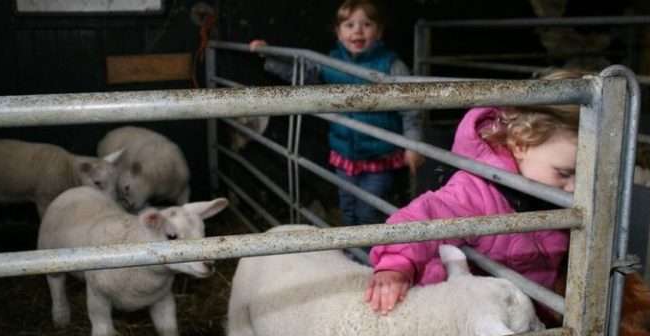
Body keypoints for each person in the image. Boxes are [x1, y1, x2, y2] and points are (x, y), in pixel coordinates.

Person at [365, 69, 585, 315]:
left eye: (587, 174)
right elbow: (422, 217)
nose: (575, 188)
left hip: (528, 313)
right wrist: (396, 265)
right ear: (522, 145)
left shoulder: (552, 189)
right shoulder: (477, 189)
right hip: (473, 314)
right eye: (564, 173)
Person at [250, 0, 425, 228]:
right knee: (347, 208)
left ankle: (369, 249)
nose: (358, 31)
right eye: (349, 25)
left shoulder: (391, 66)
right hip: (344, 153)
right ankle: (353, 248)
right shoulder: (331, 62)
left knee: (368, 211)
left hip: (378, 157)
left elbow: (411, 107)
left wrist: (413, 144)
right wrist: (270, 56)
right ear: (338, 32)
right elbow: (301, 73)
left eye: (367, 24)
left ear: (379, 31)